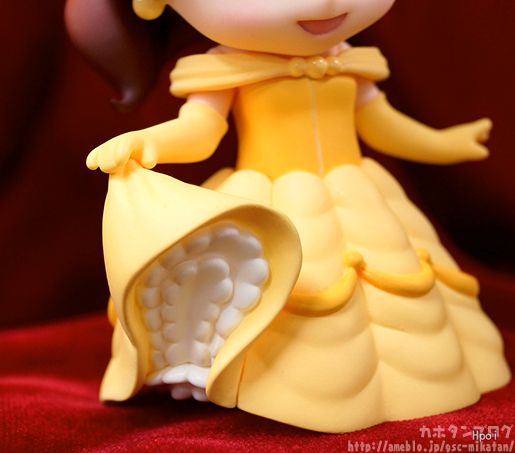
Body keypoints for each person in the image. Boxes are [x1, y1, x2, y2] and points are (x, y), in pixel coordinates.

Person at [65, 0, 510, 432]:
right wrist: (149, 143)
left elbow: (380, 123)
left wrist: (444, 144)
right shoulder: (228, 69)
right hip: (276, 205)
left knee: (393, 280)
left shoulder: (348, 61)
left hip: (358, 197)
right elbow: (200, 131)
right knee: (269, 284)